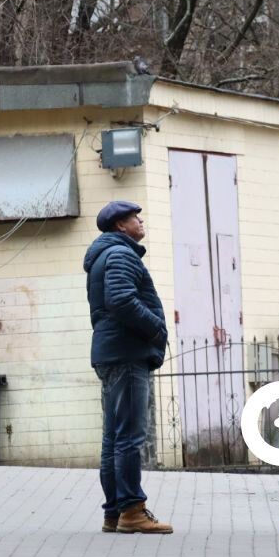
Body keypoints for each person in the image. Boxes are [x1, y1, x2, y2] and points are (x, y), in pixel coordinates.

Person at [83, 200, 173, 535]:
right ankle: (133, 510)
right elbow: (120, 300)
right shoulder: (120, 254)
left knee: (114, 436)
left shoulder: (105, 255)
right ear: (121, 225)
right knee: (130, 436)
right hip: (126, 353)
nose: (141, 220)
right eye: (136, 217)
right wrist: (155, 328)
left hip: (111, 352)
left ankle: (114, 513)